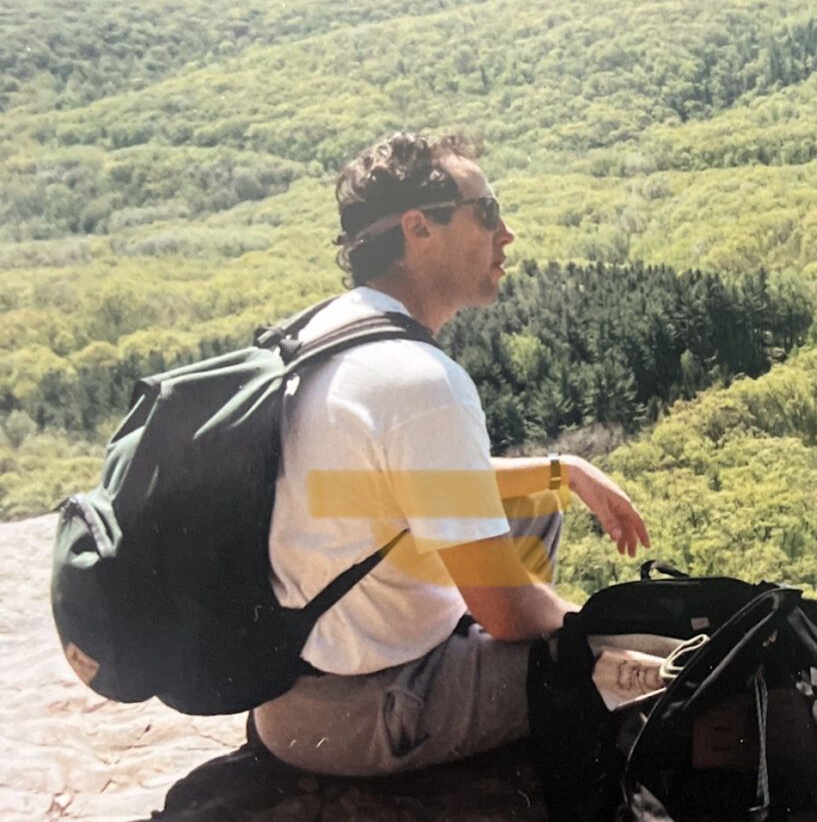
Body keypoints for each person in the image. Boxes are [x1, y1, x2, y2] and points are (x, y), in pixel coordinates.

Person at [252, 132, 649, 776]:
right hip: (365, 709)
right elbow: (508, 610)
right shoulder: (420, 382)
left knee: (535, 508)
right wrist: (598, 626)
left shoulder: (327, 332)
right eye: (486, 211)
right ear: (419, 229)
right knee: (635, 674)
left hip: (288, 689)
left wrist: (564, 472)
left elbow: (395, 484)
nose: (506, 233)